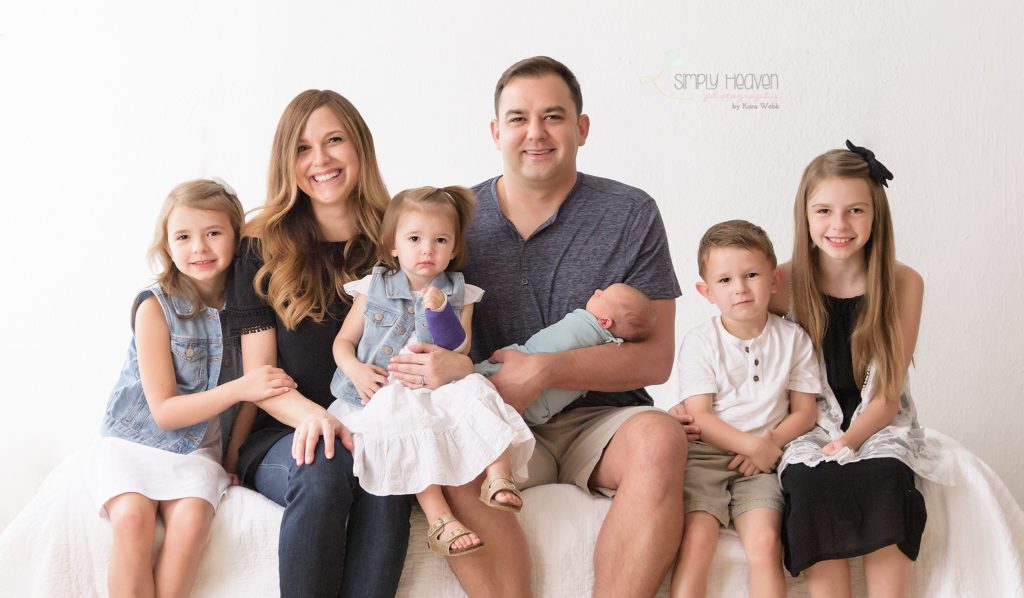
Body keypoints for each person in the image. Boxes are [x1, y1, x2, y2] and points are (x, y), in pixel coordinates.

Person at [386, 56, 689, 597]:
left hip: (600, 418)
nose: (536, 133)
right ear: (496, 130)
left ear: (581, 127)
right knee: (453, 450)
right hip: (489, 413)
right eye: (519, 118)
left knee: (661, 439)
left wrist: (546, 370)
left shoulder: (630, 213)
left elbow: (656, 358)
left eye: (553, 116)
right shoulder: (452, 224)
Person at [224, 90, 411, 597]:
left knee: (386, 470)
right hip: (283, 431)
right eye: (303, 148)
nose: (321, 160)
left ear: (361, 149)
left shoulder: (400, 243)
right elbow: (260, 378)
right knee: (327, 461)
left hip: (374, 429)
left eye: (334, 141)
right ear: (288, 161)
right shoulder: (259, 247)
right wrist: (316, 417)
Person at [92, 179, 296, 597]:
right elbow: (165, 412)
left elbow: (248, 403)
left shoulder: (250, 310)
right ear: (167, 247)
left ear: (237, 239)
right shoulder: (155, 306)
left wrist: (232, 456)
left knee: (190, 524)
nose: (199, 248)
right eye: (183, 237)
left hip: (199, 451)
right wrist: (243, 387)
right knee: (132, 519)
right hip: (138, 443)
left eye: (213, 233)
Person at [773, 141, 942, 598]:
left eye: (855, 211)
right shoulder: (780, 283)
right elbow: (732, 340)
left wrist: (848, 442)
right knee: (810, 483)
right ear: (805, 217)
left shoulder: (904, 283)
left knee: (885, 476)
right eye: (824, 210)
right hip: (810, 419)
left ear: (876, 217)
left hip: (878, 419)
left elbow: (887, 396)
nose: (839, 225)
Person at [326, 185, 534, 557]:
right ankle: (439, 519)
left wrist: (438, 311)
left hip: (438, 383)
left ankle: (499, 475)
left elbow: (459, 349)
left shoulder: (460, 292)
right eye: (415, 239)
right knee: (403, 419)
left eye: (440, 240)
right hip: (384, 388)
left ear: (453, 248)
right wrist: (356, 370)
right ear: (393, 245)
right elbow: (342, 343)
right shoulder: (372, 287)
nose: (427, 250)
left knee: (478, 390)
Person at [669, 220, 820, 598]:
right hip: (705, 457)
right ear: (705, 292)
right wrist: (752, 446)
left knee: (767, 544)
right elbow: (699, 417)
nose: (739, 288)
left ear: (773, 280)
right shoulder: (701, 343)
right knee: (698, 541)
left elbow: (804, 412)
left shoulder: (794, 340)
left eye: (751, 274)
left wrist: (766, 446)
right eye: (724, 281)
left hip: (762, 462)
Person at [475, 283, 657, 425]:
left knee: (474, 379)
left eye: (601, 295)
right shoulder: (610, 347)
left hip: (511, 373)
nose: (597, 291)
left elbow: (545, 348)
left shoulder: (585, 324)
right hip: (540, 411)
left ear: (605, 322)